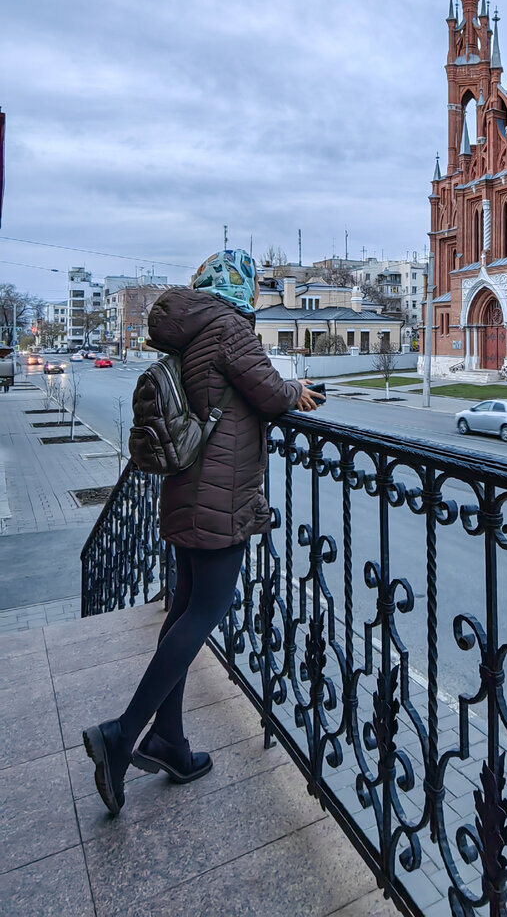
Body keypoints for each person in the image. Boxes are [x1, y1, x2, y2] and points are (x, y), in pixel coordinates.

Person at [82, 249, 321, 817]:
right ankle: (122, 734)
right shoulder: (230, 328)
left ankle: (169, 742)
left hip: (187, 487)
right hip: (222, 495)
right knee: (204, 614)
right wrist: (296, 391)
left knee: (184, 608)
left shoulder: (190, 329)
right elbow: (268, 394)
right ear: (242, 288)